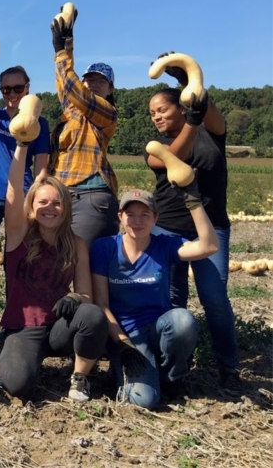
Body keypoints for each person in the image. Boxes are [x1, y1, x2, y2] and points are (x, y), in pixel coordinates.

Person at [145, 70, 241, 392]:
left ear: (181, 107)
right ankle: (177, 364)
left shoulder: (212, 132)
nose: (156, 115)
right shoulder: (158, 147)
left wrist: (189, 83)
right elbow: (175, 159)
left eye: (161, 109)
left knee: (215, 299)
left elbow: (206, 109)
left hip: (210, 228)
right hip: (167, 230)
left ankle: (228, 367)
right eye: (152, 112)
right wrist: (192, 122)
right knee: (173, 299)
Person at [0, 139, 108, 403]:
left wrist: (75, 298)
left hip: (58, 327)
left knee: (92, 316)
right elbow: (13, 189)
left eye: (57, 203)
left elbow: (85, 294)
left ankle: (80, 378)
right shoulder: (19, 234)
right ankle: (22, 358)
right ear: (31, 206)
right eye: (43, 202)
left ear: (66, 208)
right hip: (23, 327)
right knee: (18, 385)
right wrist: (23, 144)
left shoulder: (76, 244)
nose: (50, 208)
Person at [90, 188, 219, 409]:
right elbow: (101, 303)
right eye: (131, 214)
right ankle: (121, 367)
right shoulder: (104, 247)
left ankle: (171, 377)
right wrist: (123, 345)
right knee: (142, 401)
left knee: (183, 321)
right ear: (120, 216)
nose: (137, 221)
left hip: (160, 328)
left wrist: (194, 203)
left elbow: (209, 246)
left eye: (145, 215)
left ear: (155, 218)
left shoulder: (166, 244)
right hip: (127, 334)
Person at [0, 61, 50, 357]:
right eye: (6, 89)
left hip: (21, 196)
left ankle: (17, 326)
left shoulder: (40, 122)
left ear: (27, 89)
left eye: (17, 88)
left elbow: (42, 168)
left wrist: (34, 199)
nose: (12, 94)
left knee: (19, 265)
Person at [49, 6, 119, 248]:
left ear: (110, 89)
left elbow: (73, 87)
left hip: (90, 195)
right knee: (65, 262)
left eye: (101, 81)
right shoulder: (72, 112)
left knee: (81, 261)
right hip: (64, 194)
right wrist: (67, 40)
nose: (93, 84)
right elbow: (65, 83)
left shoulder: (106, 112)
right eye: (89, 79)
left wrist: (60, 51)